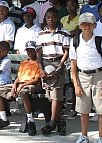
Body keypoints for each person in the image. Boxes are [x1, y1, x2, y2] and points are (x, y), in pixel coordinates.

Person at [70, 13, 102, 143]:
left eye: (90, 24)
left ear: (95, 25)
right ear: (80, 26)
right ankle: (84, 135)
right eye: (84, 24)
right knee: (83, 109)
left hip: (98, 76)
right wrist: (76, 84)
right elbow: (73, 63)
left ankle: (101, 137)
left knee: (101, 109)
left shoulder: (99, 41)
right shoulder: (75, 41)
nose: (87, 27)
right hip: (82, 76)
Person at [0, 41, 42, 135]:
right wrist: (15, 85)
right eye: (28, 50)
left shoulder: (38, 63)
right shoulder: (24, 63)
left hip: (32, 85)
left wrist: (22, 86)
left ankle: (30, 121)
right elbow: (19, 77)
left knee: (23, 93)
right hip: (20, 84)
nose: (30, 52)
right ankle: (3, 119)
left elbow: (36, 80)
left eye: (32, 50)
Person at [36, 7, 70, 136]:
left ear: (58, 18)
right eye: (48, 17)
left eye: (54, 17)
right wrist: (41, 69)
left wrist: (59, 67)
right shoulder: (41, 34)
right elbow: (39, 52)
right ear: (45, 18)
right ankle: (60, 121)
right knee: (51, 95)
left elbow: (66, 52)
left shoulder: (64, 33)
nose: (51, 20)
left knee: (56, 93)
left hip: (58, 63)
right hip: (45, 64)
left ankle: (52, 121)